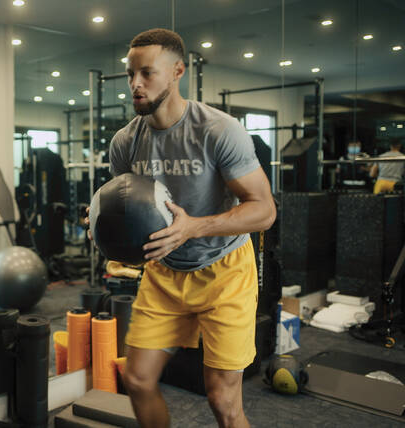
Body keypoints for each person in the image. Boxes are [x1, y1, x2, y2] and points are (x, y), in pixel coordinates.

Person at [109, 29, 275, 428]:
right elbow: (125, 207)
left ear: (177, 71)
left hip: (225, 271)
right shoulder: (124, 142)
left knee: (223, 400)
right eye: (130, 74)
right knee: (137, 378)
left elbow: (264, 210)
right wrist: (102, 222)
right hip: (165, 273)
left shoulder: (218, 130)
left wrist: (192, 228)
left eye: (147, 73)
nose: (135, 84)